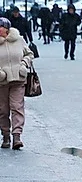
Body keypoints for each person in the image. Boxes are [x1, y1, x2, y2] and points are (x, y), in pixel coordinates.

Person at [0, 17, 34, 150]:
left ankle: (17, 137)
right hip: (2, 81)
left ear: (6, 29)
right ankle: (6, 135)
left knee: (17, 107)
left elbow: (29, 54)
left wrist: (24, 64)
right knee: (3, 110)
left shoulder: (19, 40)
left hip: (18, 79)